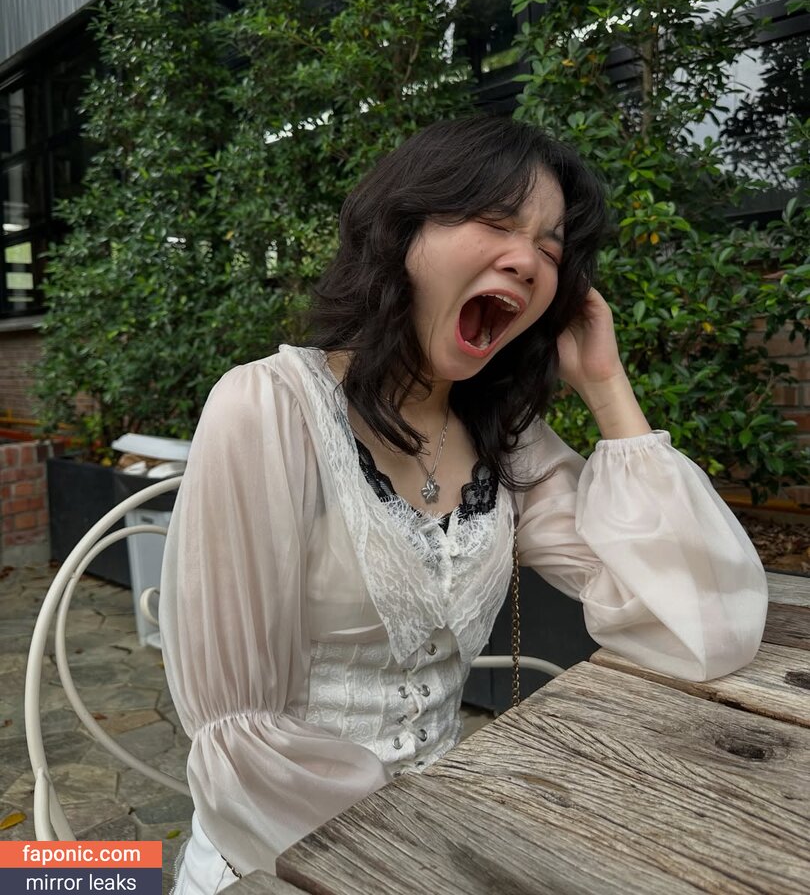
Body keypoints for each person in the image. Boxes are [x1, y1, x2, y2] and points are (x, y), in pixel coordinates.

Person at [160, 116, 768, 894]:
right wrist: (428, 855)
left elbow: (701, 626)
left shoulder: (510, 445)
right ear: (401, 232)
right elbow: (237, 744)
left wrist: (606, 385)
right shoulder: (268, 409)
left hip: (448, 839)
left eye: (550, 249)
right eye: (496, 222)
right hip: (287, 858)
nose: (526, 261)